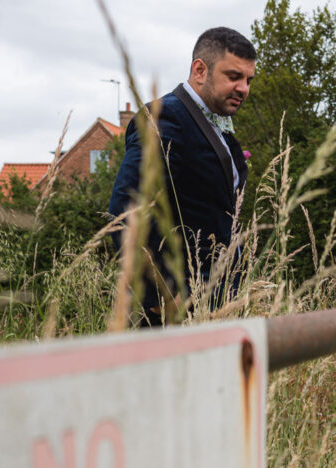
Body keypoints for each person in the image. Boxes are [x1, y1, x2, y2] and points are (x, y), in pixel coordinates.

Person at [108, 27, 256, 324]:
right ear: (200, 70)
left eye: (248, 80)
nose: (244, 88)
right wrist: (160, 297)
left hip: (216, 306)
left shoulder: (218, 125)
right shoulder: (167, 117)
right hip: (174, 314)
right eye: (233, 77)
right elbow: (126, 210)